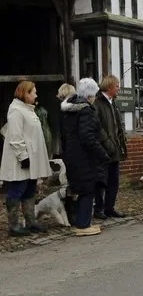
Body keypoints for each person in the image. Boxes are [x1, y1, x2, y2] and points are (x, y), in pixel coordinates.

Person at [0, 81, 51, 237]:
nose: (36, 95)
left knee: (29, 189)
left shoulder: (28, 109)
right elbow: (15, 136)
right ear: (25, 94)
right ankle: (14, 226)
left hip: (32, 158)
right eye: (33, 92)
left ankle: (30, 222)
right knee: (17, 190)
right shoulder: (15, 110)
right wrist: (23, 156)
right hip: (21, 160)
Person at [60, 78, 110, 236]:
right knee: (88, 189)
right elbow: (88, 137)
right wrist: (102, 154)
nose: (95, 97)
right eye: (94, 94)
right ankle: (82, 225)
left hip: (72, 155)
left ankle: (83, 222)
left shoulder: (70, 110)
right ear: (89, 95)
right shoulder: (86, 110)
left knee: (82, 189)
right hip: (83, 157)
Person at [93, 75, 128, 220]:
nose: (119, 88)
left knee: (114, 181)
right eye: (117, 86)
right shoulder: (97, 103)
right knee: (102, 181)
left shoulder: (113, 103)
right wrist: (107, 143)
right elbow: (98, 127)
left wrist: (122, 140)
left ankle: (110, 208)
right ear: (109, 87)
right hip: (104, 150)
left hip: (115, 149)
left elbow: (117, 124)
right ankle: (99, 209)